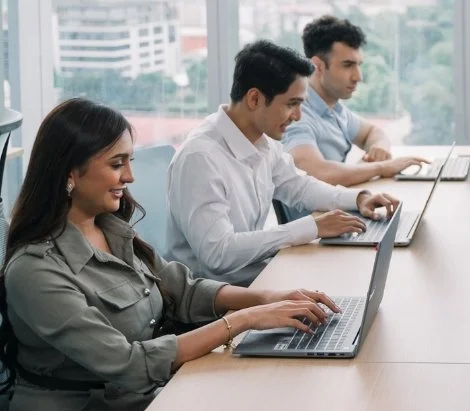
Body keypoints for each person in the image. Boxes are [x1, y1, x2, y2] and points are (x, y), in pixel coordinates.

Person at [0, 98, 343, 411]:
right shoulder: (36, 270)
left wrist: (270, 298)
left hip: (144, 394)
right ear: (70, 174)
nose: (130, 176)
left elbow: (183, 290)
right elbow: (129, 364)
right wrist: (246, 319)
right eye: (116, 164)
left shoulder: (109, 228)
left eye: (129, 161)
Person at [165, 40, 399, 287]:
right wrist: (310, 228)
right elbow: (218, 255)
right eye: (291, 104)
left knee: (350, 277)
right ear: (254, 99)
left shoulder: (262, 143)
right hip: (215, 305)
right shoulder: (200, 158)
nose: (298, 117)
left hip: (258, 280)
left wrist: (357, 199)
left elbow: (300, 187)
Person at [283, 15, 427, 188]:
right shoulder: (297, 118)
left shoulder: (334, 109)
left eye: (359, 65)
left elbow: (373, 132)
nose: (358, 76)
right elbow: (320, 174)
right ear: (318, 66)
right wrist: (382, 167)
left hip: (343, 206)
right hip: (321, 214)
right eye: (347, 65)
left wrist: (378, 148)